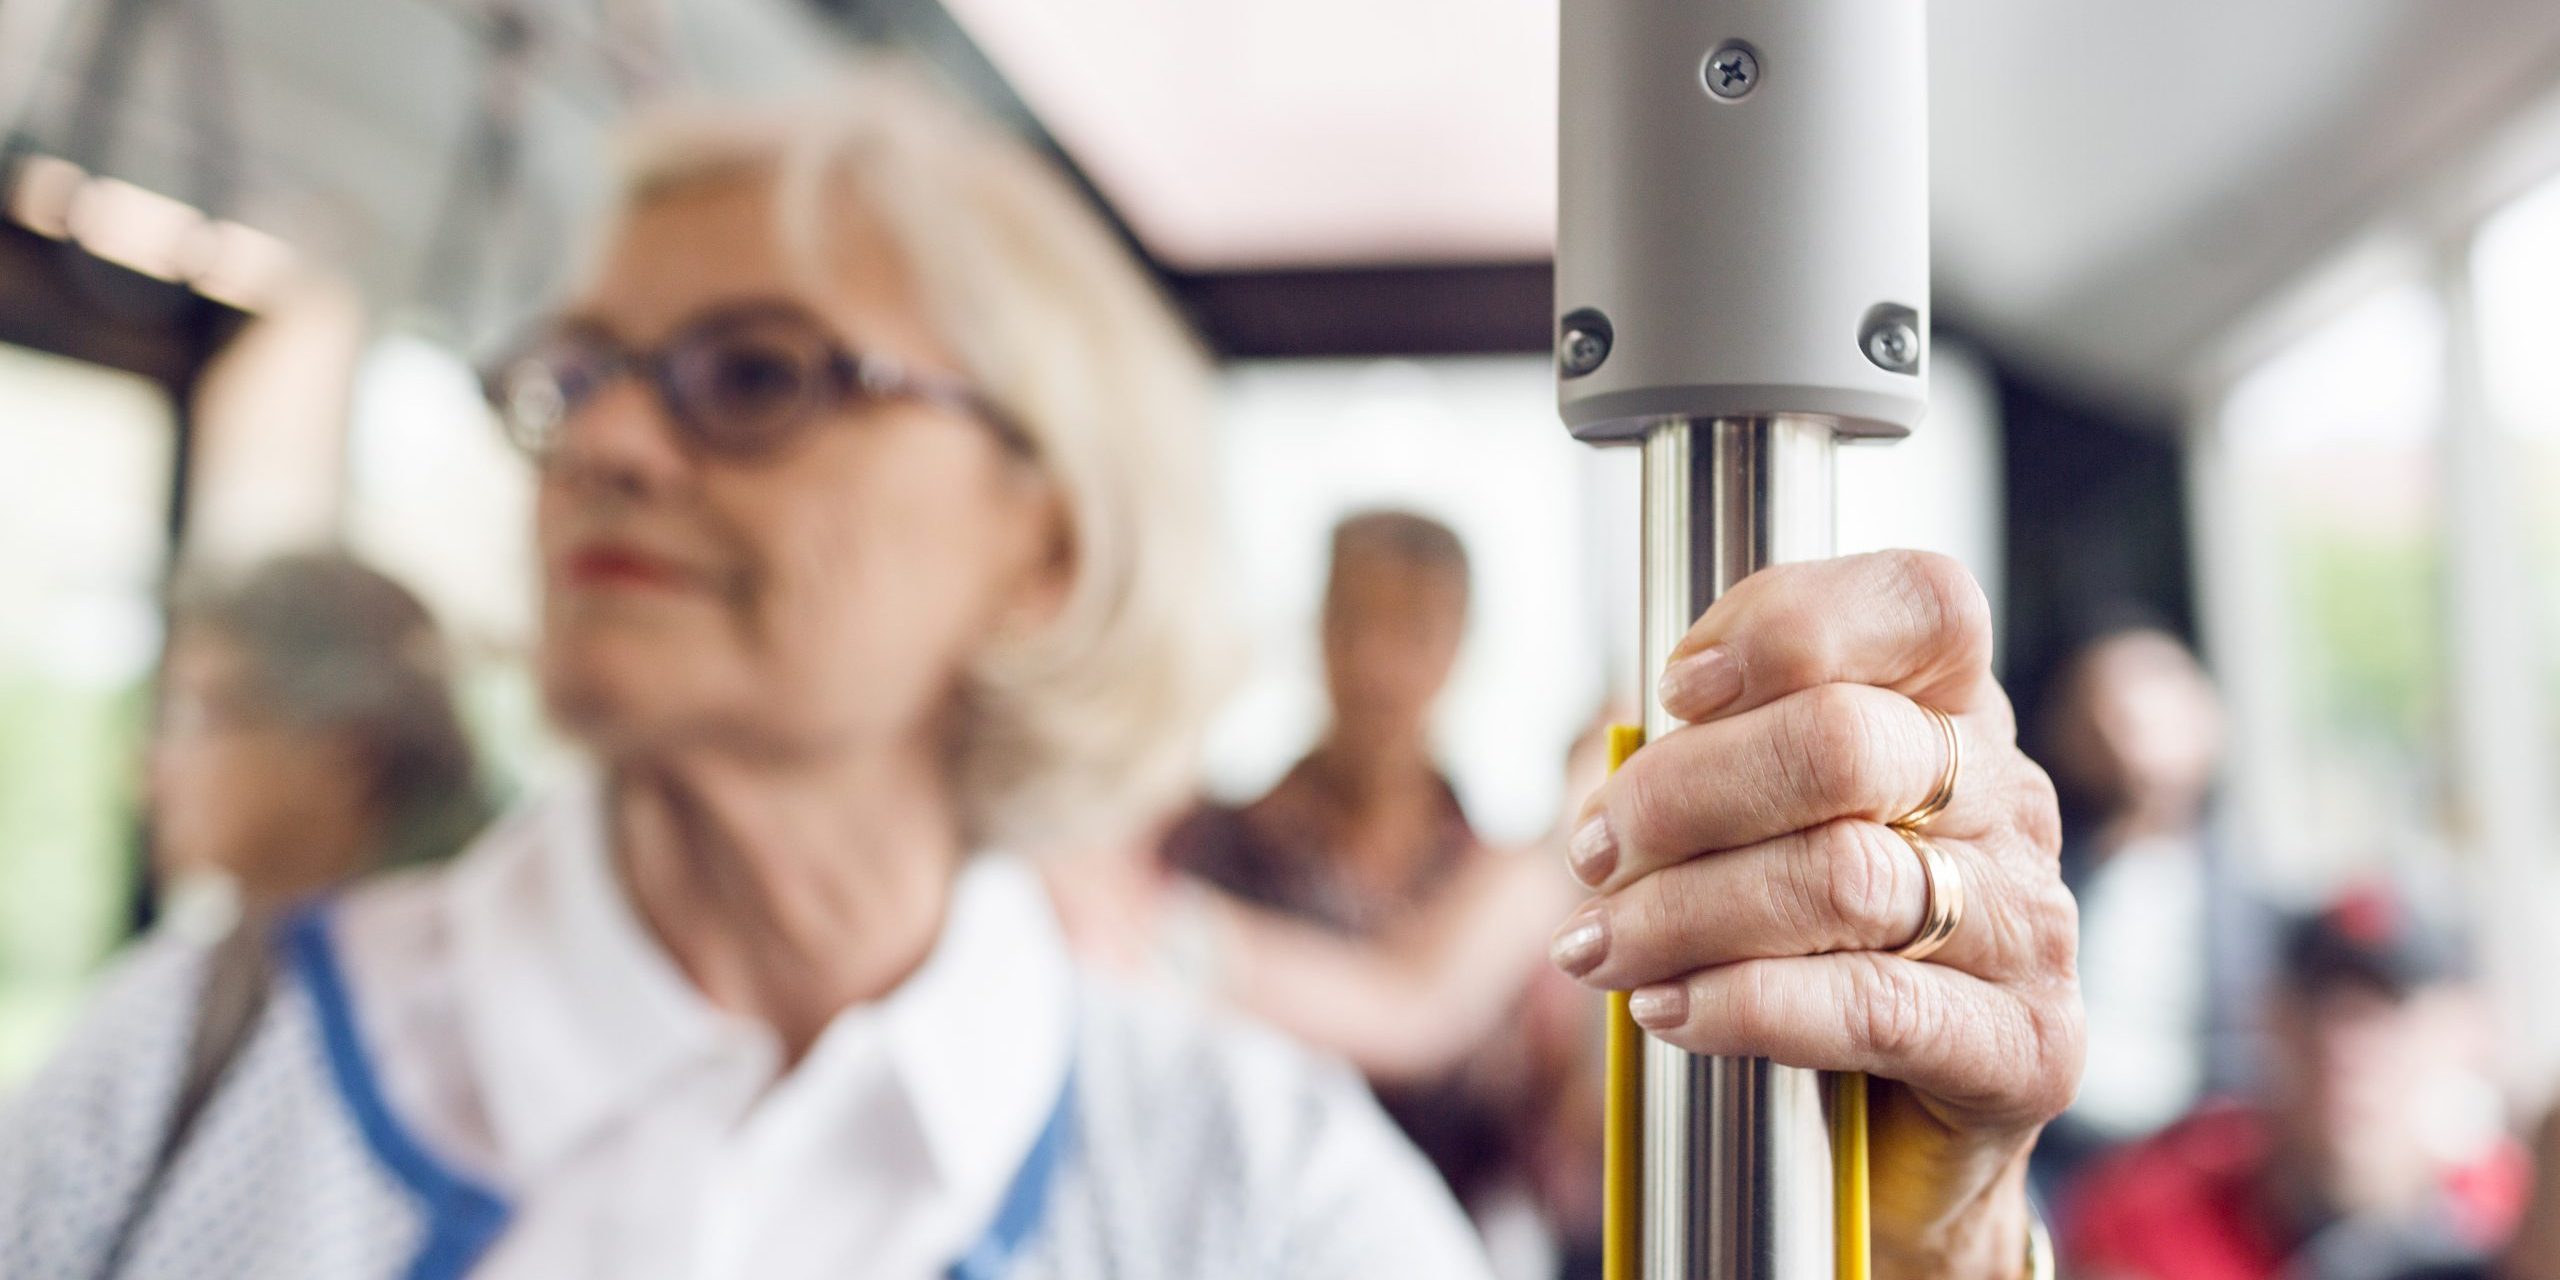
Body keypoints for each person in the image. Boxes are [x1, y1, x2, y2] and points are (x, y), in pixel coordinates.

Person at [0, 62, 2081, 1280]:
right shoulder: (193, 1071)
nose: (615, 440)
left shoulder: (1245, 1191)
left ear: (1044, 540)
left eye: (750, 375)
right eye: (580, 376)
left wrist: (1906, 1248)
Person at [2063, 887, 2525, 1280]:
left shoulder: (2516, 1218)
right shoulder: (2149, 1211)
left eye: (2387, 1013)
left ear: (2464, 1034)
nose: (2346, 1047)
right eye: (2322, 1008)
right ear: (2270, 1017)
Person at [2034, 623, 2270, 1186]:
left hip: (2190, 1166)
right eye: (2105, 712)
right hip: (2052, 1154)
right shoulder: (2047, 873)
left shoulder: (2252, 900)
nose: (2126, 736)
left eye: (2148, 712)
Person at [151, 552, 487, 931]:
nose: (156, 764)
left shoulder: (459, 965)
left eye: (202, 720)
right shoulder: (195, 971)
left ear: (350, 754)